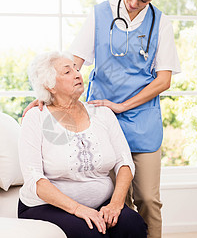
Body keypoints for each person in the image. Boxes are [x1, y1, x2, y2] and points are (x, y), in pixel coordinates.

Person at [69, 0, 181, 238]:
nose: (134, 3)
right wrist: (49, 96)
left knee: (147, 200)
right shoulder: (99, 15)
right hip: (101, 120)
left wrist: (121, 106)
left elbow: (164, 79)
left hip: (141, 121)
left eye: (144, 0)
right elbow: (74, 63)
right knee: (112, 201)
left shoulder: (161, 23)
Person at [18, 51, 147, 238]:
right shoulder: (35, 117)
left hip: (102, 202)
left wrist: (116, 204)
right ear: (50, 85)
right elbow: (34, 179)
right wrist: (78, 209)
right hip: (46, 207)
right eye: (67, 72)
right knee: (91, 233)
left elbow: (124, 161)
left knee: (132, 224)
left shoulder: (103, 113)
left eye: (76, 69)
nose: (77, 74)